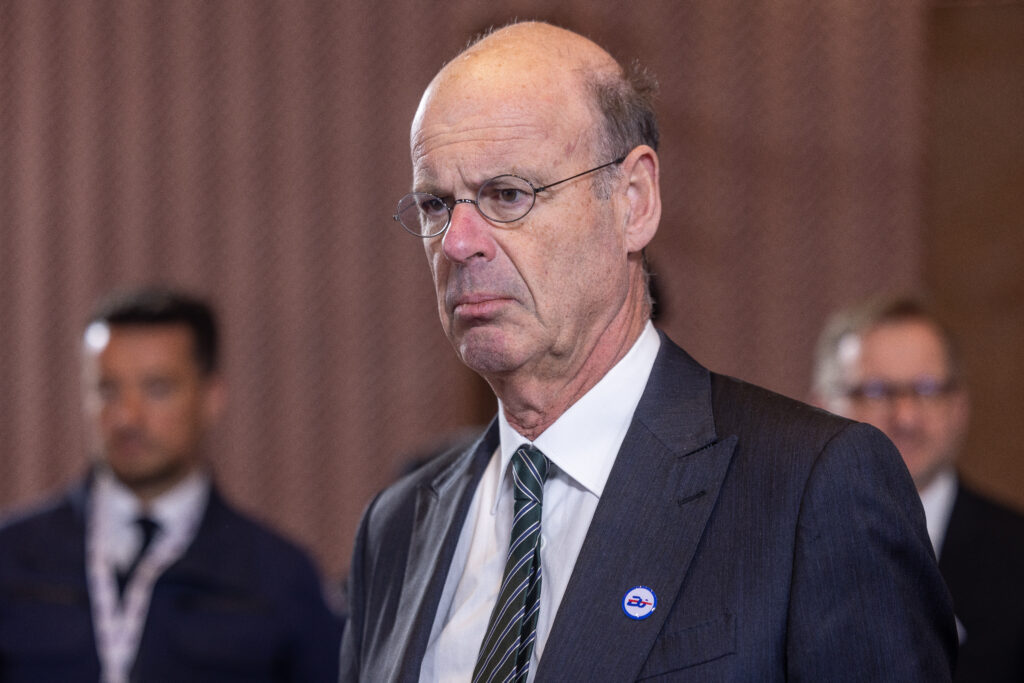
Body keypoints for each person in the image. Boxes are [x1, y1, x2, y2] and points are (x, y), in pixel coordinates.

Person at [340, 21, 955, 681]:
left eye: (508, 194)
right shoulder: (397, 527)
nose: (459, 243)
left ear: (634, 202)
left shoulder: (811, 489)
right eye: (435, 204)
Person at [0, 287, 342, 683]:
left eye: (156, 388)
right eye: (107, 389)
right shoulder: (11, 556)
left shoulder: (278, 576)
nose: (127, 417)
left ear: (211, 397)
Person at [812, 295, 1024, 682]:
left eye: (927, 389)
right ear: (822, 408)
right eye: (876, 391)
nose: (906, 417)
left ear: (959, 406)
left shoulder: (1016, 552)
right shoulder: (779, 553)